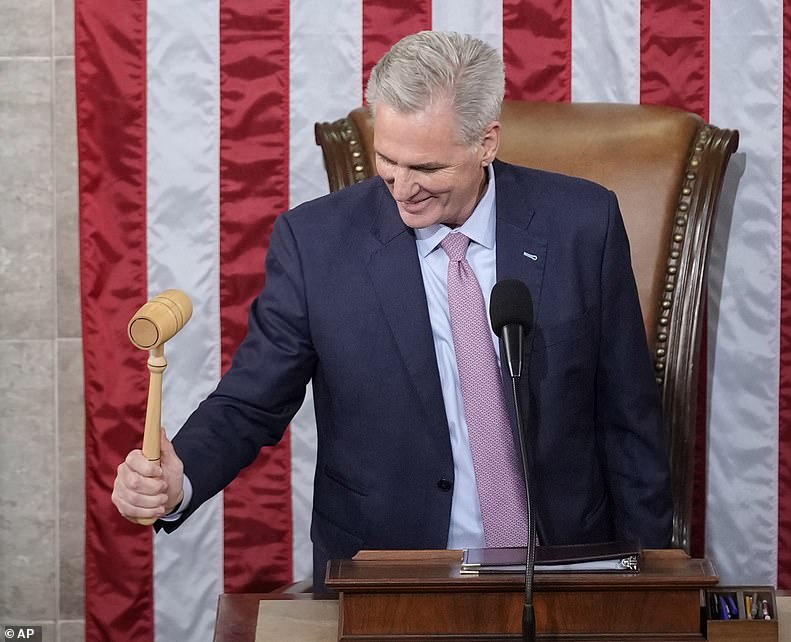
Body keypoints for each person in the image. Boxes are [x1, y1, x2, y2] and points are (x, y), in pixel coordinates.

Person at [112, 30, 672, 588]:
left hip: (563, 566)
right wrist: (180, 477)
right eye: (387, 160)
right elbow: (252, 399)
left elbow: (629, 418)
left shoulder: (582, 223)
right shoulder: (316, 244)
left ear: (486, 143)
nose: (403, 189)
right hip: (388, 575)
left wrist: (654, 584)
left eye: (426, 169)